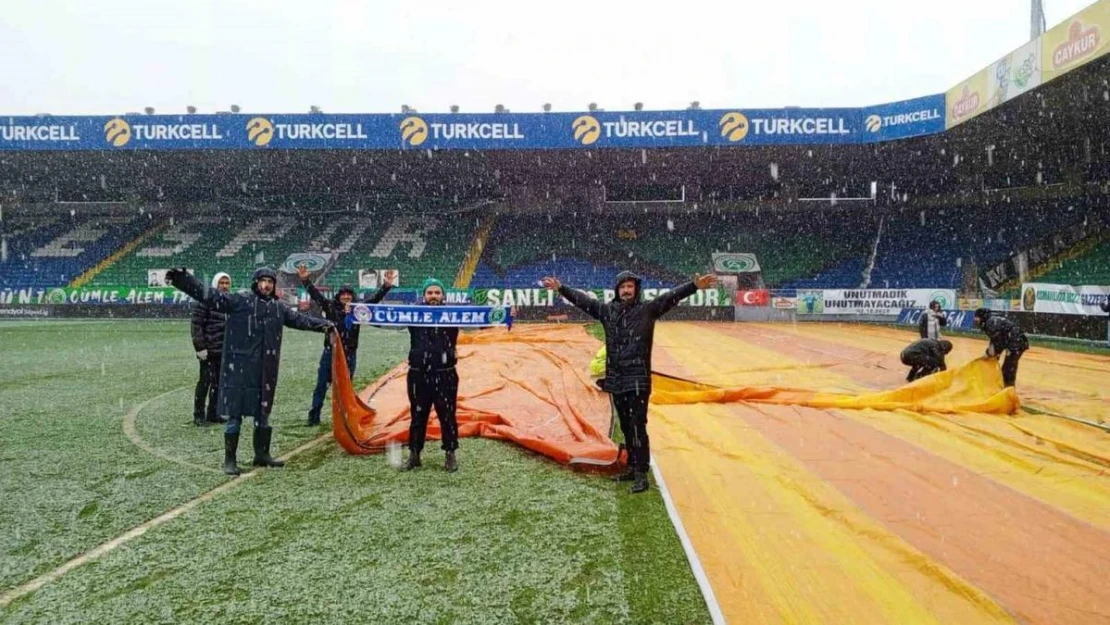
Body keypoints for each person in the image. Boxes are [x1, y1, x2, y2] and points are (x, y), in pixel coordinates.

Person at [542, 271, 717, 494]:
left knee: (637, 426)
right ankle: (632, 466)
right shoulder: (607, 311)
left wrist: (693, 285)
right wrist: (561, 288)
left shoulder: (647, 310)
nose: (626, 290)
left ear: (636, 290)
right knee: (626, 426)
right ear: (617, 290)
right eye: (623, 286)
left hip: (637, 380)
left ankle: (641, 473)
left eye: (630, 287)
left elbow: (670, 297)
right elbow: (585, 302)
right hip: (616, 380)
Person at [166, 267, 335, 476]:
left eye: (270, 282)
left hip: (265, 370)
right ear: (255, 283)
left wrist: (324, 325)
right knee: (234, 416)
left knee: (262, 415)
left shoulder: (278, 308)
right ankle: (230, 460)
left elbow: (300, 320)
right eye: (262, 281)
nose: (266, 285)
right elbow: (209, 295)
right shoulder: (240, 301)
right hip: (239, 369)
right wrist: (183, 279)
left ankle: (261, 454)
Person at [297, 264, 393, 426]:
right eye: (344, 294)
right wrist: (305, 280)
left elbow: (374, 300)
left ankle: (346, 417)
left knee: (346, 388)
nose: (346, 297)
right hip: (331, 352)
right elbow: (316, 296)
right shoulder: (330, 307)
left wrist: (386, 286)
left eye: (349, 294)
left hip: (349, 353)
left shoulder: (358, 310)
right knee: (321, 385)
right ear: (339, 296)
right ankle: (314, 417)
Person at [401, 278, 461, 473]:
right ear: (424, 295)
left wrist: (506, 314)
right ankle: (414, 454)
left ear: (443, 295)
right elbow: (382, 320)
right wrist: (358, 312)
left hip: (446, 374)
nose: (433, 296)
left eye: (437, 292)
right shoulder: (412, 314)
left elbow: (483, 321)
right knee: (418, 415)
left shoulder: (454, 314)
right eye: (430, 293)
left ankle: (450, 453)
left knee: (447, 415)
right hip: (418, 374)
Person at [190, 272, 231, 426]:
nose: (225, 286)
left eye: (227, 283)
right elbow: (196, 325)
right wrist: (200, 348)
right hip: (208, 351)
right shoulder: (205, 300)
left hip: (223, 350)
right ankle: (199, 415)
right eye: (222, 283)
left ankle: (214, 414)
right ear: (216, 284)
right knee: (205, 382)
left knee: (219, 384)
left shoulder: (229, 302)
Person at [973, 308, 1029, 388]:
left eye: (976, 317)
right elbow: (997, 340)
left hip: (1015, 343)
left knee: (1008, 368)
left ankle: (1008, 390)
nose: (975, 320)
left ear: (982, 317)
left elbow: (998, 341)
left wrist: (992, 353)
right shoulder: (991, 321)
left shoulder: (990, 323)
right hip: (1015, 342)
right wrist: (994, 353)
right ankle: (1007, 388)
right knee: (1008, 367)